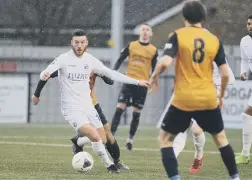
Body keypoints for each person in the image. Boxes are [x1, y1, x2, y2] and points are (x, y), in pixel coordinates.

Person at [149, 1, 239, 180]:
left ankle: (177, 174)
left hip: (184, 97)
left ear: (184, 18)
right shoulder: (214, 40)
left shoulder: (177, 35)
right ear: (203, 18)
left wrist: (154, 78)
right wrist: (220, 97)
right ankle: (235, 177)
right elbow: (227, 75)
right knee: (221, 139)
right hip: (207, 97)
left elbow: (165, 62)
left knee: (168, 139)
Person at [39, 29, 149, 173]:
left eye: (82, 42)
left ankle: (79, 141)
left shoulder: (91, 61)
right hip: (72, 107)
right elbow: (47, 73)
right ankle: (111, 165)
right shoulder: (64, 61)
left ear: (86, 44)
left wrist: (136, 81)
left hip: (90, 103)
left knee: (104, 137)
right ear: (72, 43)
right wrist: (42, 81)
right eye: (77, 42)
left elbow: (110, 76)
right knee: (96, 136)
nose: (79, 45)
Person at [32, 71, 129, 170]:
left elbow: (110, 82)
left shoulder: (93, 65)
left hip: (92, 103)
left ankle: (115, 161)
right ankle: (110, 164)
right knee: (96, 135)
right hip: (75, 104)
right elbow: (46, 75)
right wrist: (37, 94)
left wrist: (102, 74)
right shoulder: (67, 66)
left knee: (107, 134)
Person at [156, 57, 235, 174]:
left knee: (196, 130)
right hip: (192, 94)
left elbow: (231, 79)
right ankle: (172, 160)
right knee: (181, 128)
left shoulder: (216, 55)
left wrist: (210, 85)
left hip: (211, 97)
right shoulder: (192, 54)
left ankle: (198, 155)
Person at [110, 23, 158, 151]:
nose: (145, 31)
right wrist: (112, 72)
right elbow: (120, 59)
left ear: (151, 33)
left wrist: (153, 81)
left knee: (136, 112)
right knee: (119, 108)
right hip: (129, 81)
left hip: (142, 85)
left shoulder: (153, 50)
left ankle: (130, 139)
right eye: (143, 29)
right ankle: (110, 137)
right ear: (140, 32)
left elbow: (155, 68)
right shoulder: (132, 45)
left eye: (148, 30)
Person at [235, 15, 252, 165]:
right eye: (248, 24)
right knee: (247, 115)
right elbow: (245, 60)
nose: (250, 26)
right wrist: (243, 71)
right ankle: (245, 154)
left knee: (247, 114)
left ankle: (246, 153)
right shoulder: (244, 41)